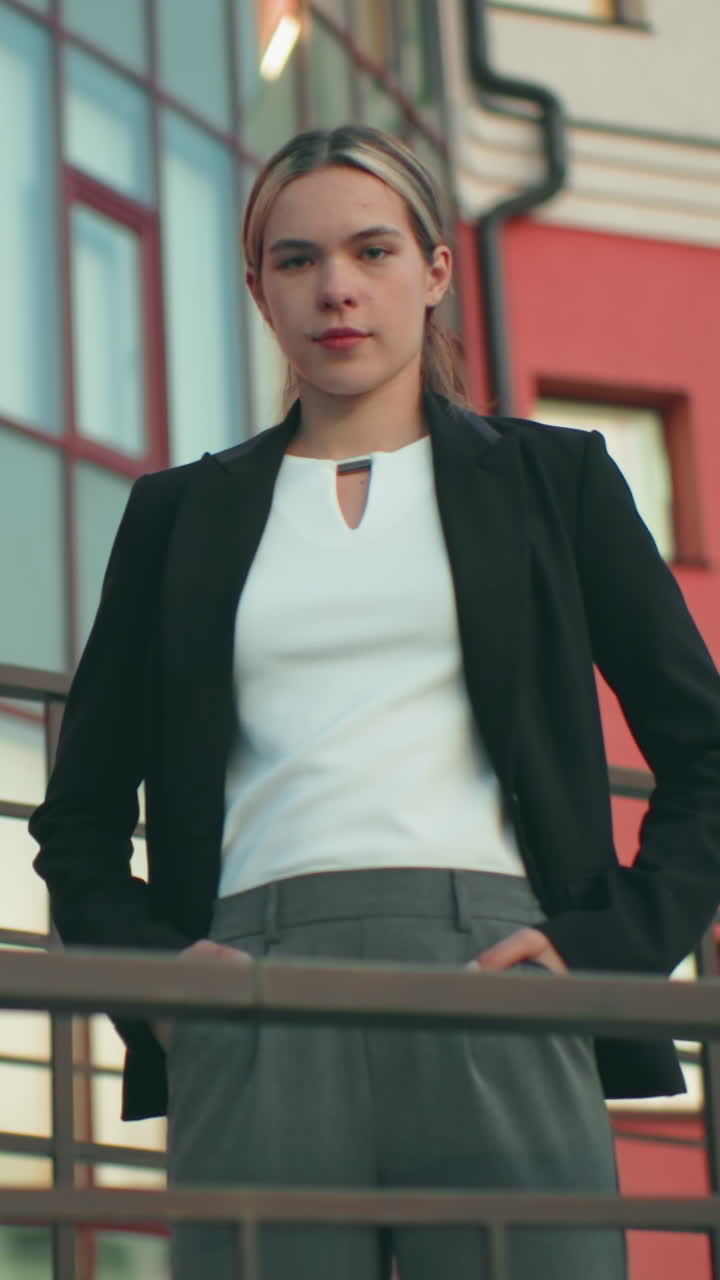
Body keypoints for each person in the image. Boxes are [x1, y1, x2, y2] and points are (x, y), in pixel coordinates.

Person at [29, 123, 720, 1280]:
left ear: (435, 270)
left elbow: (706, 751)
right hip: (251, 990)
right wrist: (158, 979)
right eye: (296, 259)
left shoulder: (555, 481)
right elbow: (79, 818)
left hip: (500, 976)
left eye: (372, 250)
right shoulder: (177, 516)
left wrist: (608, 950)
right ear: (258, 287)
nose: (336, 288)